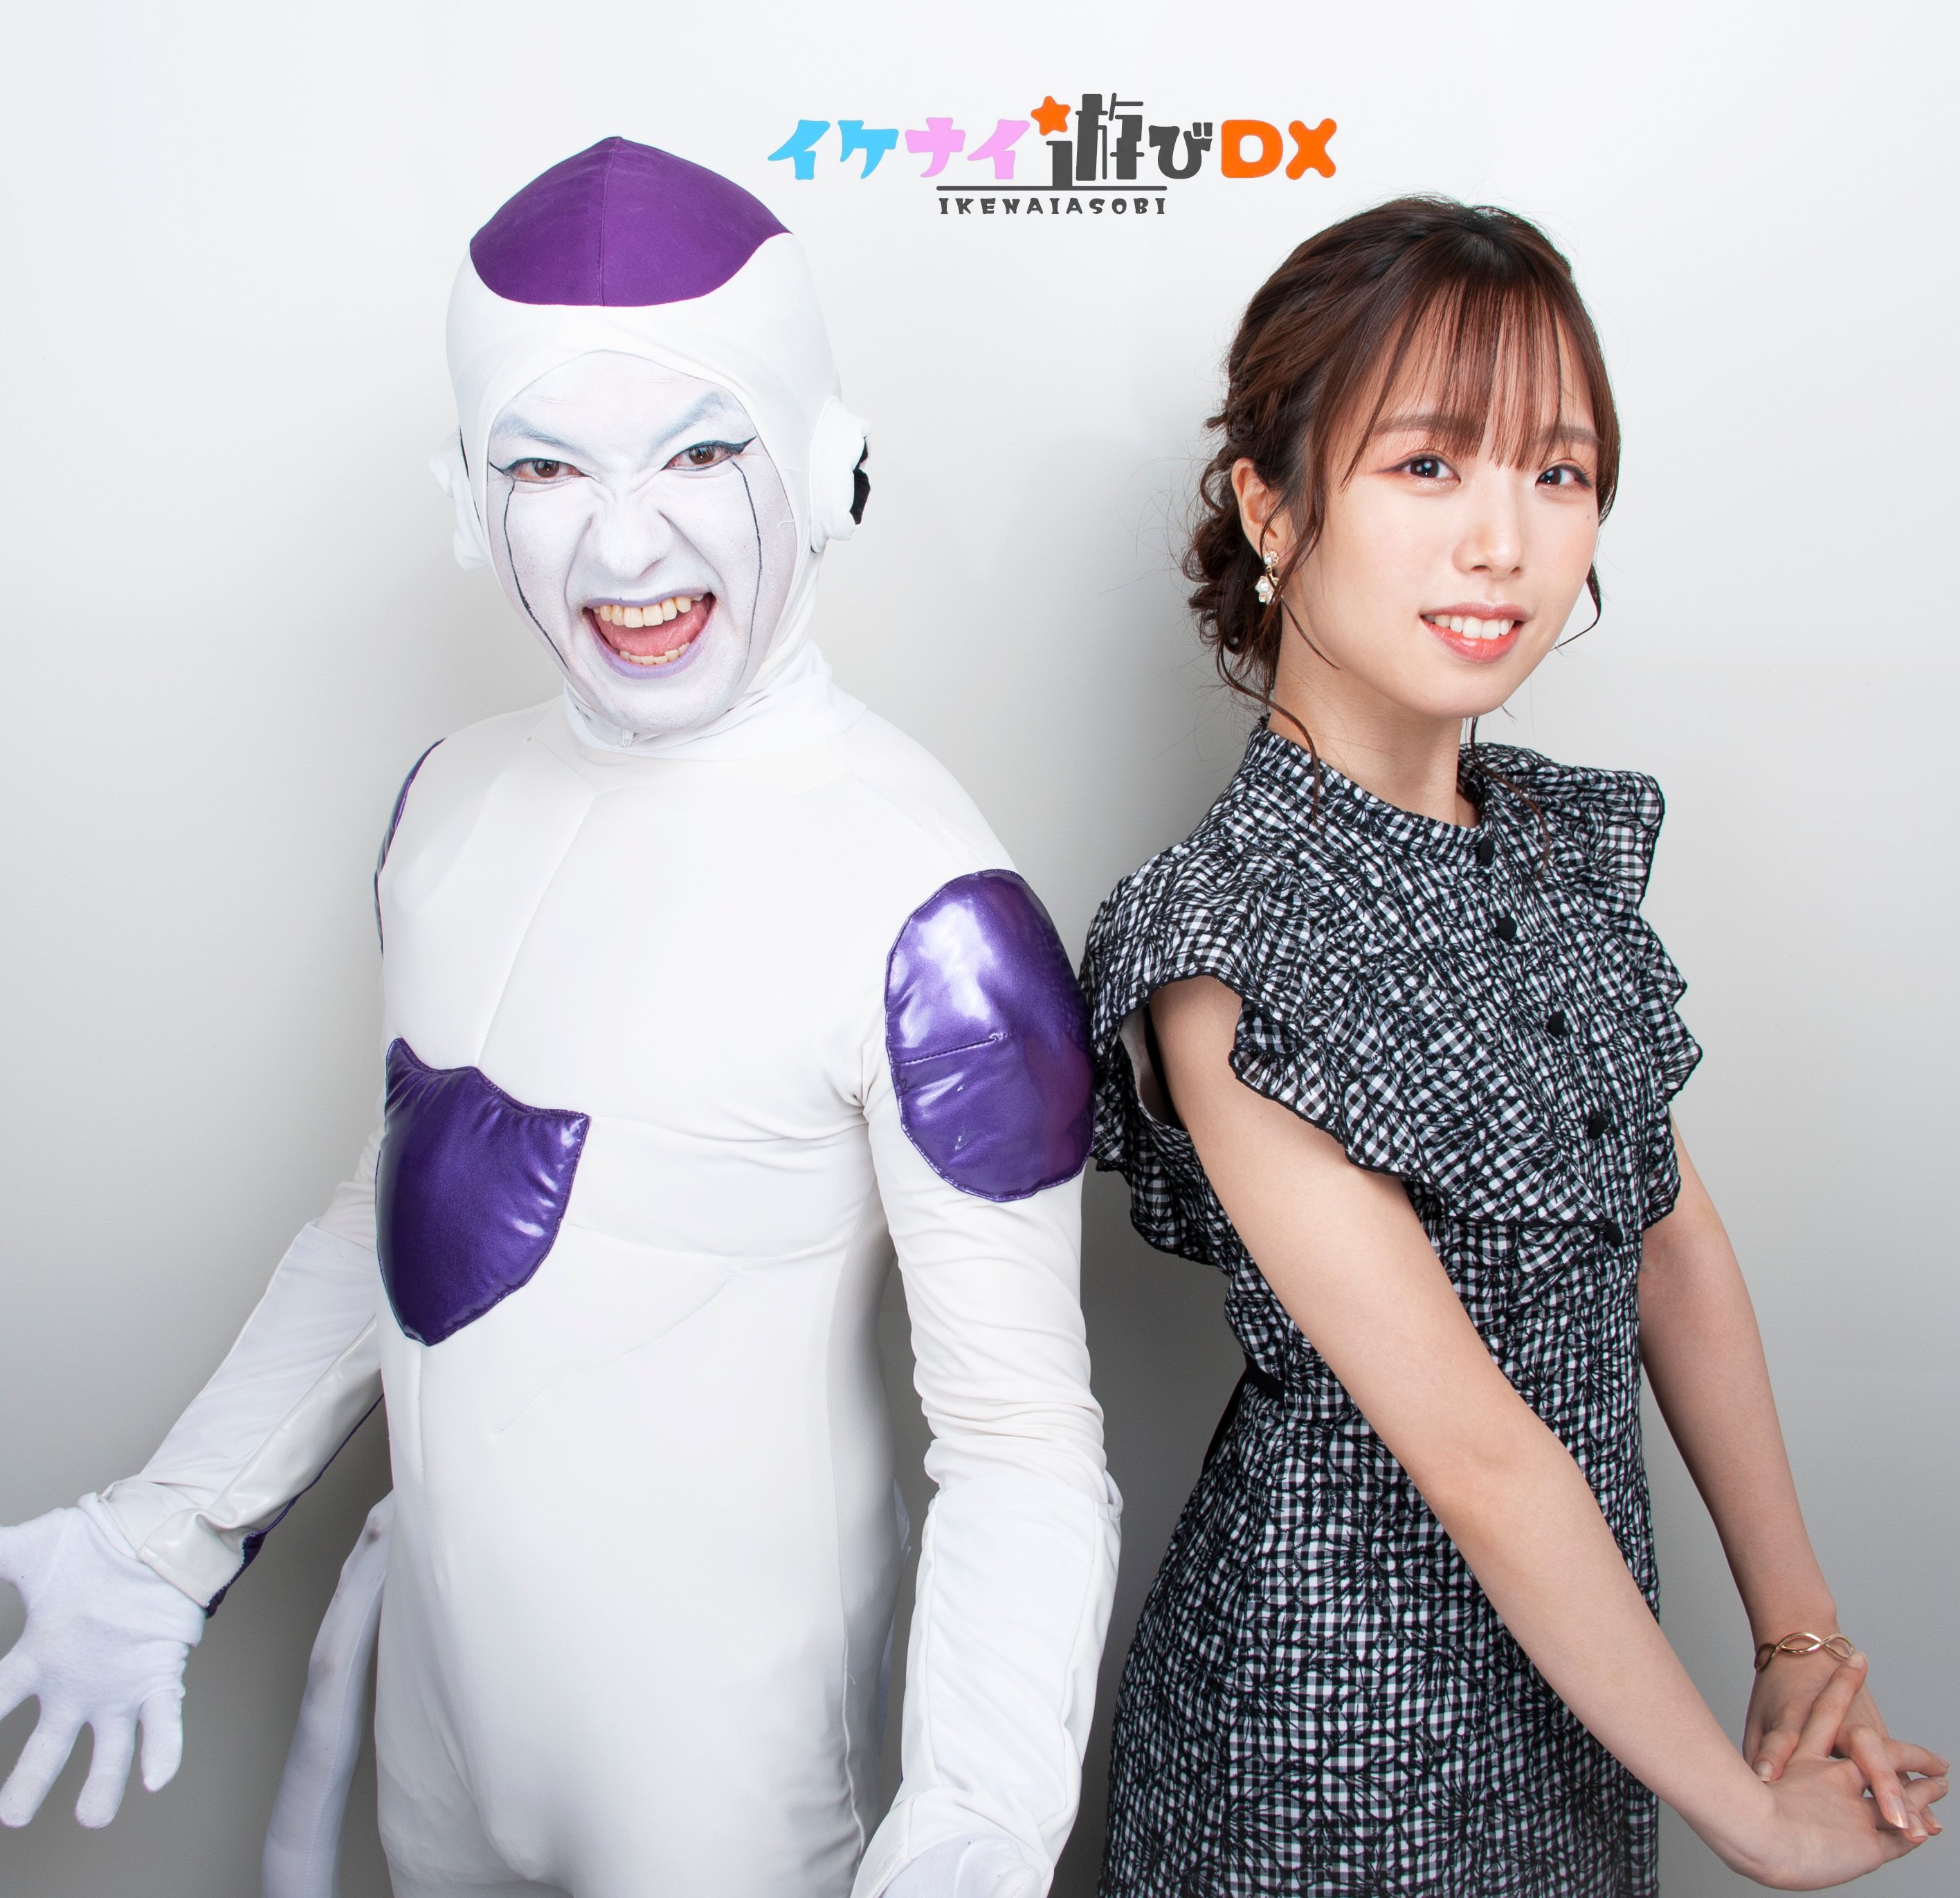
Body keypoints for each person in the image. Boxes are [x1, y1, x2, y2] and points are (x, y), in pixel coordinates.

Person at [0, 138, 1120, 1898]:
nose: (624, 542)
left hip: (728, 1786)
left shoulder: (932, 913)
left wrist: (975, 1828)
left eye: (700, 451)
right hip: (444, 1725)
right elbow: (390, 1215)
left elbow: (1020, 1444)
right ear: (470, 497)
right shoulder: (445, 803)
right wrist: (170, 1530)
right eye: (545, 465)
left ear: (826, 463)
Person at [1079, 198, 1945, 1895]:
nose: (1505, 541)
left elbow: (1671, 1245)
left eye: (1559, 472)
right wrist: (1747, 1813)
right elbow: (1475, 1453)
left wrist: (1798, 1633)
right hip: (1332, 1726)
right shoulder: (1224, 932)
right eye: (1428, 465)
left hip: (1584, 1694)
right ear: (1272, 506)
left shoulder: (1546, 845)